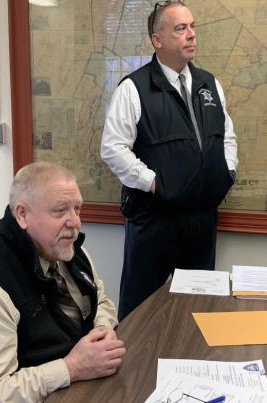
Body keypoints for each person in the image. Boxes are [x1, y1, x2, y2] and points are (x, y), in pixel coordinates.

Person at [0, 162, 126, 403]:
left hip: (78, 392)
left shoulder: (68, 251)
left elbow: (100, 300)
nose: (75, 222)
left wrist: (101, 330)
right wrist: (70, 368)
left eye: (77, 209)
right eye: (60, 211)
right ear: (22, 215)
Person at [101, 0, 238, 320]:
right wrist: (154, 183)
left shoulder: (210, 85)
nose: (191, 35)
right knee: (140, 311)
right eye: (180, 29)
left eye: (192, 27)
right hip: (154, 221)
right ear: (157, 39)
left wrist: (226, 172)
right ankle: (135, 370)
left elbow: (227, 135)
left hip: (201, 220)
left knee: (198, 310)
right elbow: (113, 149)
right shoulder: (134, 88)